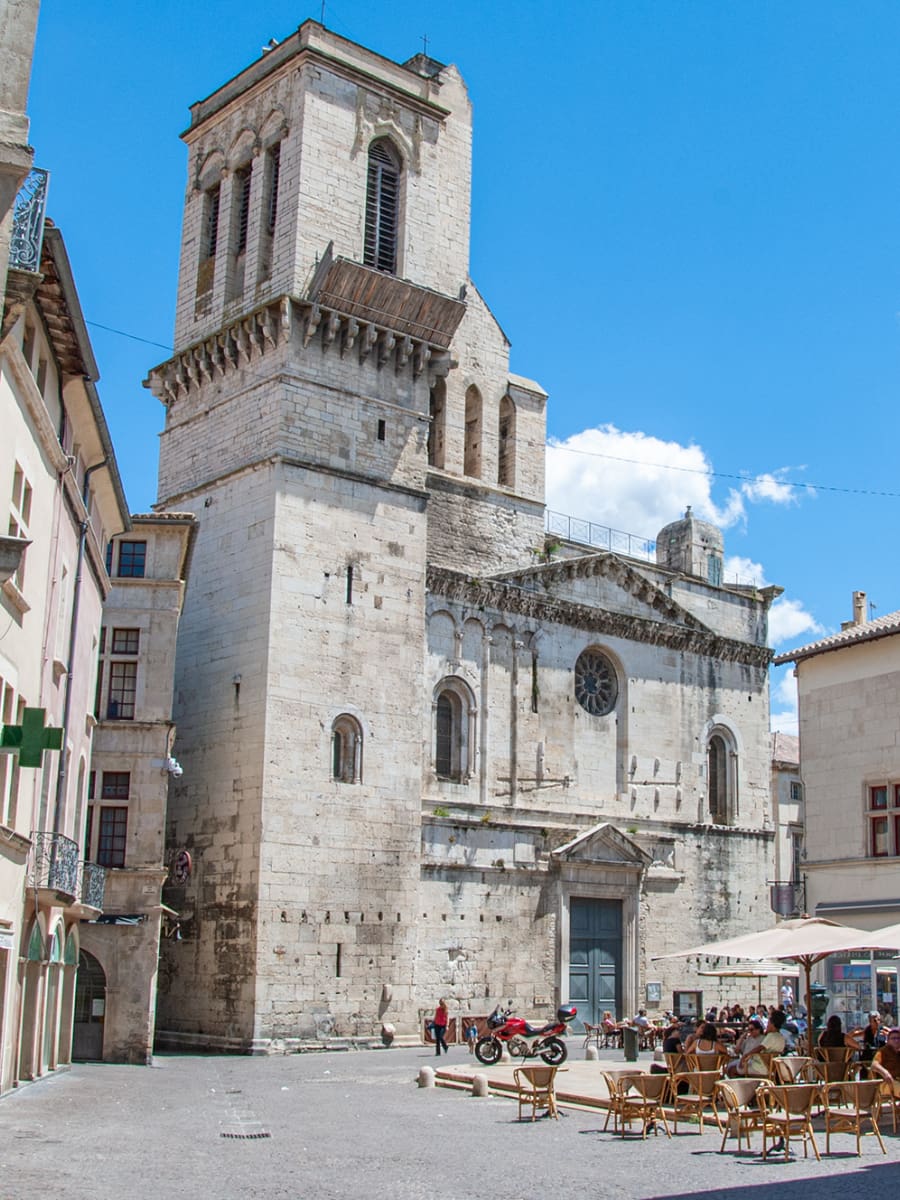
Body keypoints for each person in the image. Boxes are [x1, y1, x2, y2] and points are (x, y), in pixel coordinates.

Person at [735, 1010, 786, 1077]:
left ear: (772, 1023)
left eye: (768, 1022)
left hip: (760, 1067)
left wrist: (744, 1057)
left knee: (732, 1070)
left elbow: (759, 1048)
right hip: (771, 1068)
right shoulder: (781, 1037)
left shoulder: (771, 1036)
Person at [870, 1026, 900, 1094]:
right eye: (893, 1038)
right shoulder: (883, 1051)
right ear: (888, 1040)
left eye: (898, 1038)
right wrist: (885, 1073)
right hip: (886, 1083)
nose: (896, 1040)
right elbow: (874, 1065)